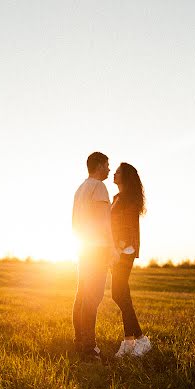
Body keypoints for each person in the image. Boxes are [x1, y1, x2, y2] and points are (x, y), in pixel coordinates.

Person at [72, 151, 119, 361]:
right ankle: (90, 348)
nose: (109, 169)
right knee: (93, 297)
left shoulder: (80, 189)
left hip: (83, 248)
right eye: (107, 165)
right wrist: (112, 248)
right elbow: (103, 222)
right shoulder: (99, 187)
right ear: (99, 165)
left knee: (82, 295)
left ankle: (79, 341)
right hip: (97, 249)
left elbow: (75, 223)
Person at [111, 162, 151, 358]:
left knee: (118, 294)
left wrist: (118, 247)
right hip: (116, 252)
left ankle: (142, 340)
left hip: (124, 251)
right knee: (121, 294)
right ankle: (128, 341)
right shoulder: (117, 197)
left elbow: (128, 228)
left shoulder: (129, 200)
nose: (114, 174)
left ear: (125, 177)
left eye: (117, 172)